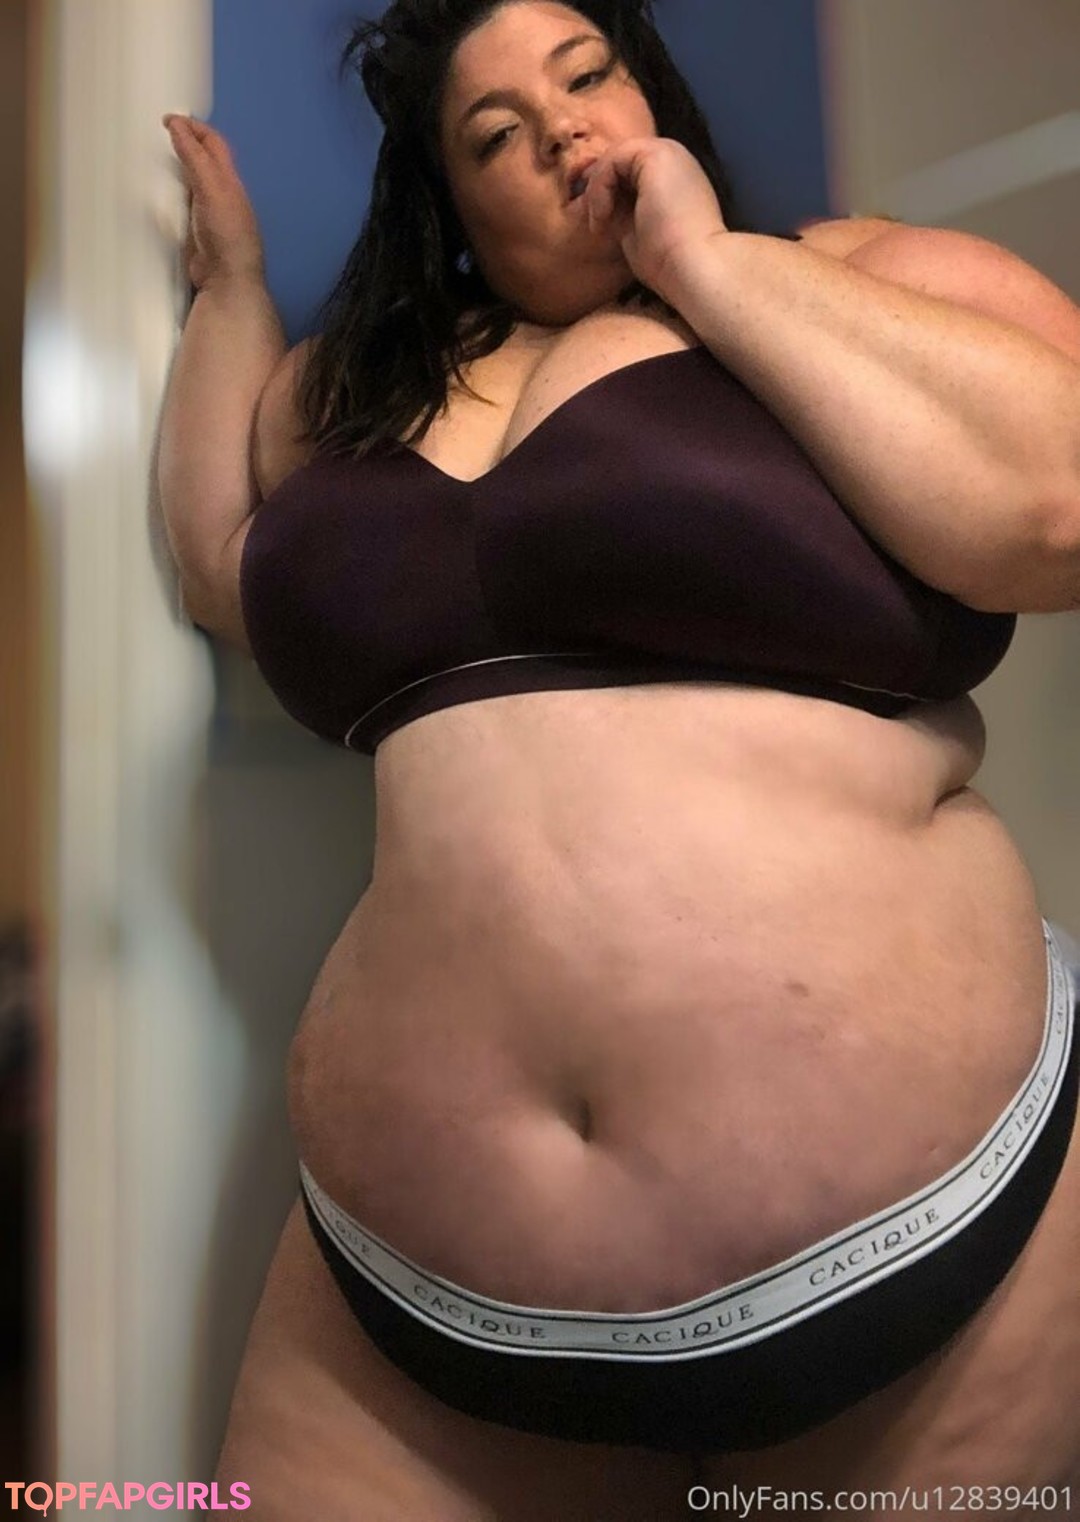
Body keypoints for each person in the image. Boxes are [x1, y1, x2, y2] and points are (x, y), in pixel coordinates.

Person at [159, 1, 1080, 1515]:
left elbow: (1056, 504)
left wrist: (705, 265)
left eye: (585, 77)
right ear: (455, 207)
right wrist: (232, 289)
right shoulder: (372, 394)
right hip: (416, 1300)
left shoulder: (853, 270)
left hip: (931, 1245)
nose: (561, 131)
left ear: (648, 91)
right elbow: (218, 565)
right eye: (495, 137)